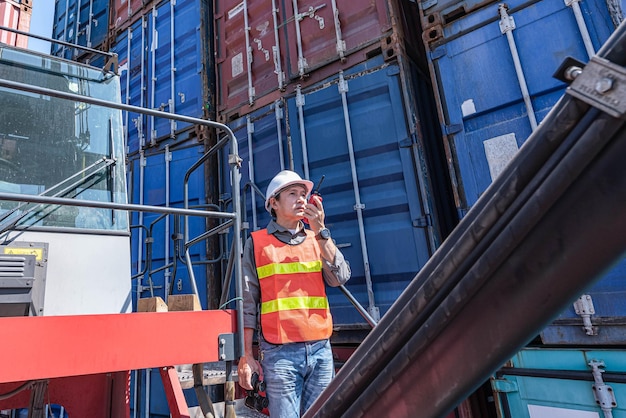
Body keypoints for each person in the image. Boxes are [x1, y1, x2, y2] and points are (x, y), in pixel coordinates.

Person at [238, 170, 351, 417]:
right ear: (273, 203)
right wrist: (247, 355)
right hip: (281, 356)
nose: (301, 199)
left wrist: (321, 231)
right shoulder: (257, 243)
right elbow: (247, 302)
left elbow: (340, 277)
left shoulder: (317, 238)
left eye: (303, 194)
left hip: (321, 350)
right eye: (292, 194)